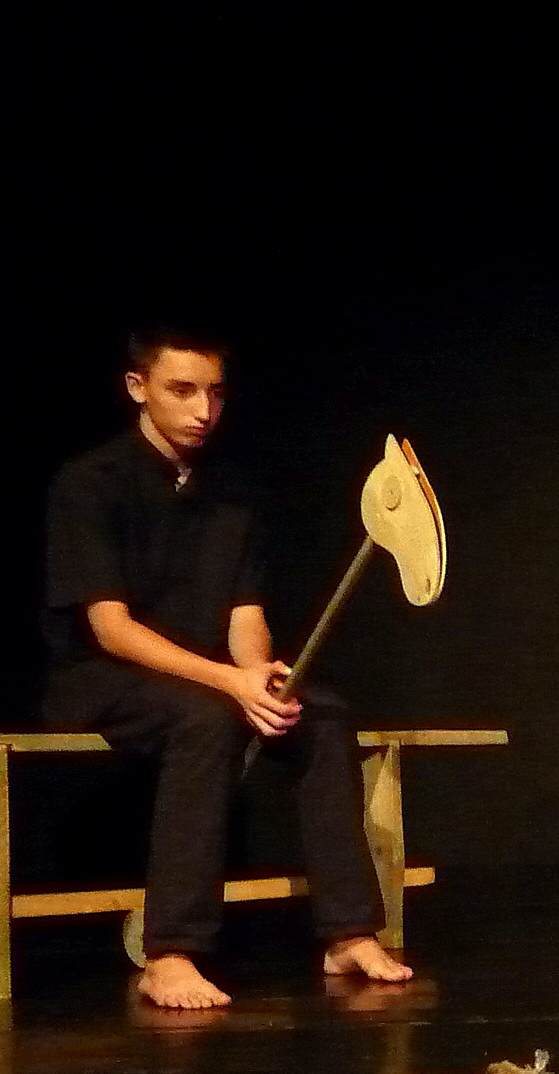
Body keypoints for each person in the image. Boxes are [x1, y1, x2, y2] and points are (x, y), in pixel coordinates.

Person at [42, 329, 411, 1009]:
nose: (202, 410)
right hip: (102, 675)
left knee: (318, 711)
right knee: (206, 717)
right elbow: (111, 629)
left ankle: (349, 932)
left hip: (208, 675)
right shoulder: (91, 483)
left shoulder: (234, 491)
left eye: (213, 393)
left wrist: (260, 674)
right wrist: (228, 683)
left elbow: (245, 612)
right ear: (138, 388)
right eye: (182, 391)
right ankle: (170, 953)